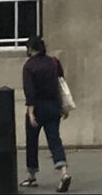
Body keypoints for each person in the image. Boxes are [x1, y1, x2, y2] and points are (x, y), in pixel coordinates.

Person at [21, 35, 71, 191]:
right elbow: (61, 83)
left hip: (38, 107)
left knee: (32, 140)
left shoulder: (29, 66)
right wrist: (63, 106)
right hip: (54, 105)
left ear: (30, 48)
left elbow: (30, 91)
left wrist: (30, 112)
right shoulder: (54, 62)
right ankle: (63, 173)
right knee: (55, 140)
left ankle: (32, 176)